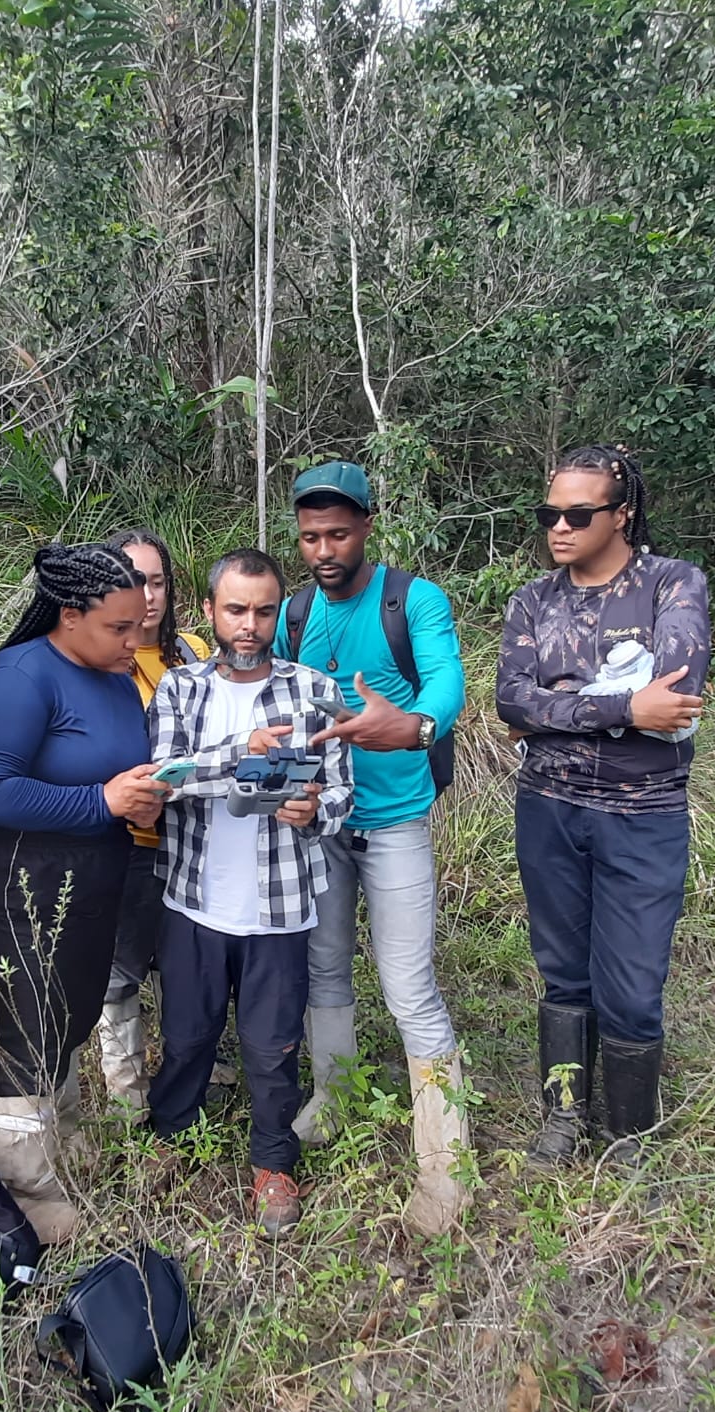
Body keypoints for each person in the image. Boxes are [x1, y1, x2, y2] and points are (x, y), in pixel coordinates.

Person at [495, 444, 709, 1171]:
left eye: (578, 514)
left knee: (634, 982)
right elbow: (512, 703)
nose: (559, 527)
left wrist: (564, 705)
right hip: (549, 807)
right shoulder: (533, 599)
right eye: (550, 514)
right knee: (562, 969)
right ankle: (563, 1114)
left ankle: (629, 1135)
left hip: (643, 811)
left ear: (622, 515)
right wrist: (623, 702)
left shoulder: (671, 585)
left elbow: (674, 696)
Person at [276, 461, 470, 1237]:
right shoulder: (295, 612)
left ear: (367, 527)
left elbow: (449, 682)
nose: (324, 550)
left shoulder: (411, 600)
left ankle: (445, 1158)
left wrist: (415, 726)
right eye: (310, 536)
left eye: (339, 533)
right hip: (323, 823)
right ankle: (338, 1092)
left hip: (392, 823)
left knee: (407, 982)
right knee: (324, 965)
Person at [0, 544, 170, 1243]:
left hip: (94, 872)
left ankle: (61, 1141)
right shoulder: (18, 678)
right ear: (69, 615)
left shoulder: (110, 674)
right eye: (118, 629)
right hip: (21, 877)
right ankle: (25, 1182)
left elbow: (111, 774)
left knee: (72, 1012)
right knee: (32, 1022)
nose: (133, 641)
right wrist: (103, 800)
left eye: (138, 626)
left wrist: (142, 797)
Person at [149, 549, 354, 1236]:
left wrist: (313, 810)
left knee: (271, 1047)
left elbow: (342, 792)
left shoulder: (312, 690)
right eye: (235, 610)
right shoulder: (179, 689)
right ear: (209, 611)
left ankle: (273, 1162)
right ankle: (173, 1135)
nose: (249, 625)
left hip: (279, 904)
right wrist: (240, 752)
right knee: (185, 1035)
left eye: (264, 611)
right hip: (192, 899)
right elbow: (164, 777)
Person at [90, 528, 210, 1115]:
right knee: (123, 965)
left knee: (189, 959)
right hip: (131, 841)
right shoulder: (100, 658)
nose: (148, 594)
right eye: (134, 580)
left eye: (157, 580)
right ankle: (127, 1093)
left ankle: (197, 1068)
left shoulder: (190, 649)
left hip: (193, 836)